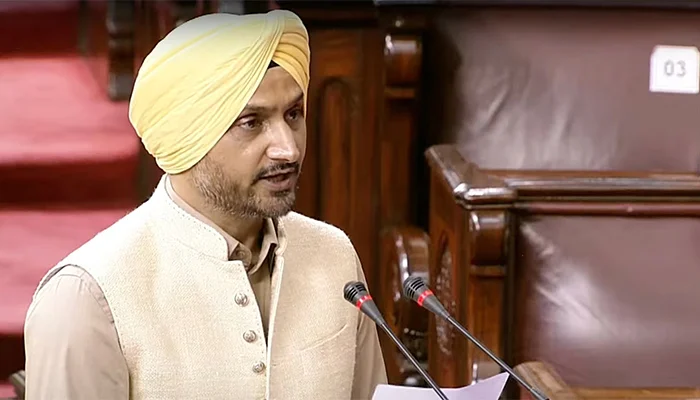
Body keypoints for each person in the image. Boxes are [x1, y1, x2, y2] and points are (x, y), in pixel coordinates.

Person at [23, 10, 387, 400]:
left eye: (293, 114)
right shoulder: (86, 299)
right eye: (252, 122)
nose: (289, 148)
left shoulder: (333, 255)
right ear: (187, 137)